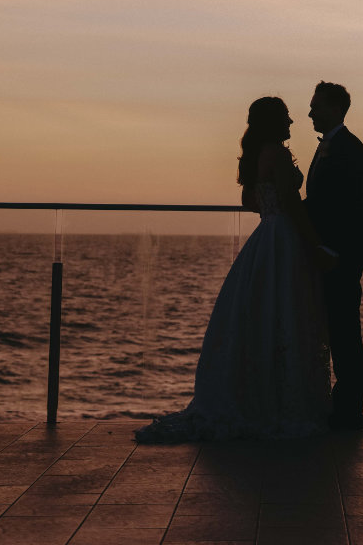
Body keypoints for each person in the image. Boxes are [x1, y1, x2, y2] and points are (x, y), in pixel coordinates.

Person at [134, 96, 333, 442]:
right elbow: (293, 205)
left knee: (259, 313)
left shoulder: (259, 155)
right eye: (286, 118)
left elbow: (249, 201)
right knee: (286, 312)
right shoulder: (279, 154)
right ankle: (280, 400)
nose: (292, 123)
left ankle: (256, 395)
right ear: (274, 122)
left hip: (265, 236)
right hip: (283, 237)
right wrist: (315, 245)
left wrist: (269, 212)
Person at [304, 80, 363, 431]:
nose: (310, 113)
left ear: (334, 109)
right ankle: (342, 406)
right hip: (328, 252)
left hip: (340, 256)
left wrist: (330, 249)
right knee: (337, 331)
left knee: (346, 334)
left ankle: (349, 413)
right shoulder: (329, 148)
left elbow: (344, 207)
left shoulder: (350, 149)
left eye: (316, 106)